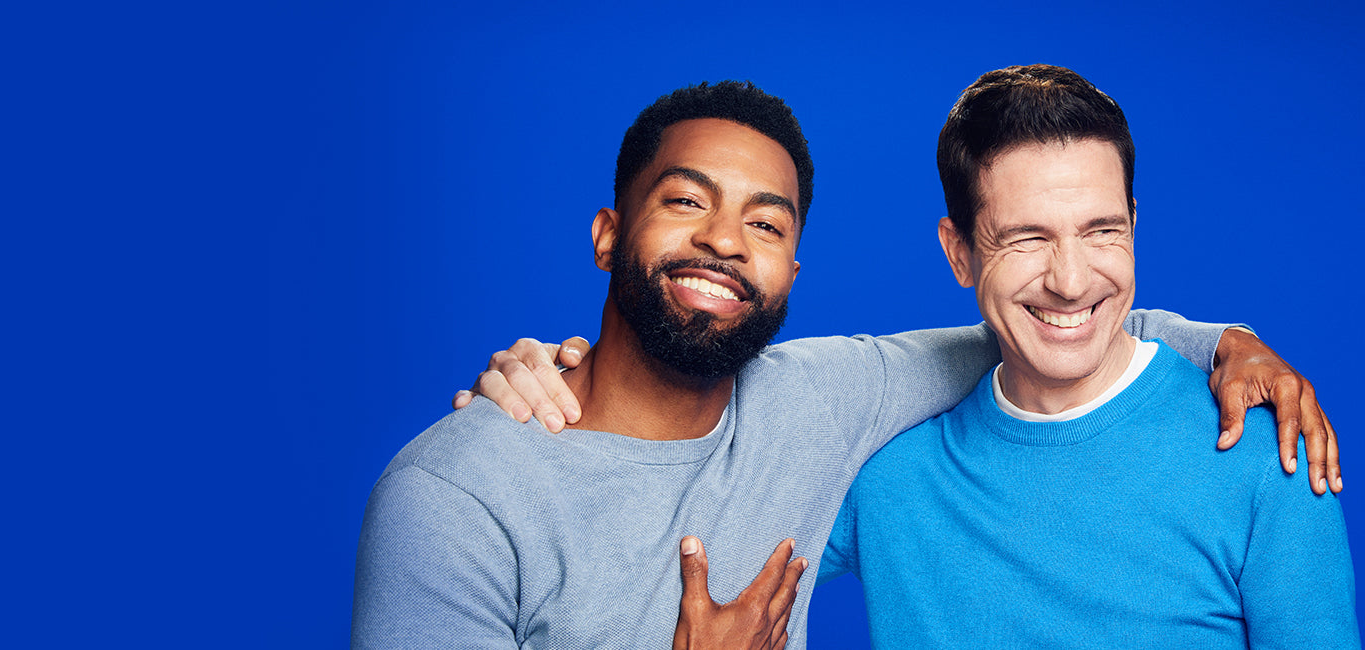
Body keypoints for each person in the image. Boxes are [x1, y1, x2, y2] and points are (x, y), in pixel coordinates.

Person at [353, 81, 1332, 648]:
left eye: (766, 222)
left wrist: (1225, 340)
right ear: (609, 234)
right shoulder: (454, 497)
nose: (727, 241)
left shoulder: (828, 408)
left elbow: (1064, 319)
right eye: (687, 202)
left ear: (792, 266)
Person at [808, 64, 1356, 647]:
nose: (1071, 282)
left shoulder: (1263, 455)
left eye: (1102, 232)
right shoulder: (886, 477)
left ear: (1135, 225)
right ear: (959, 252)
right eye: (1027, 238)